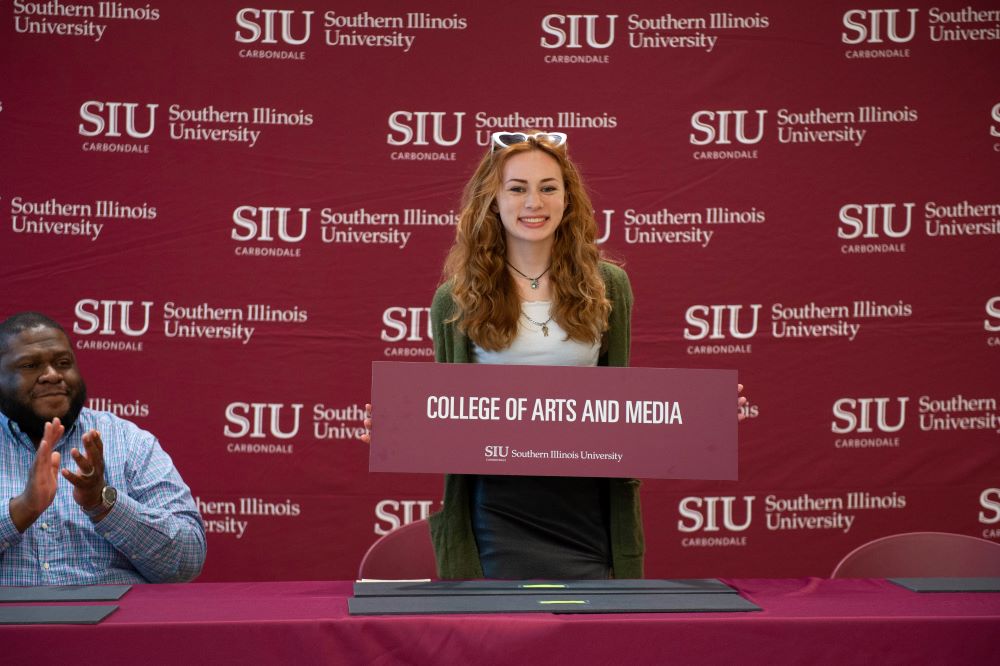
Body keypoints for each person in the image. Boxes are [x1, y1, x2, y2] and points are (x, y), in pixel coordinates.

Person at [363, 130, 747, 579]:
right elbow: (451, 412)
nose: (534, 203)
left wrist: (703, 418)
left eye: (548, 187)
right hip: (495, 516)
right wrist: (402, 428)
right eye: (517, 188)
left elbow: (622, 403)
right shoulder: (456, 299)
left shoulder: (609, 286)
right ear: (493, 198)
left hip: (590, 515)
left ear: (567, 199)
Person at [0, 311, 206, 585]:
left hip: (115, 624)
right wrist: (22, 509)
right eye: (29, 366)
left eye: (63, 362)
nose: (51, 375)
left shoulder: (129, 441)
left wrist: (103, 502)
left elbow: (187, 562)